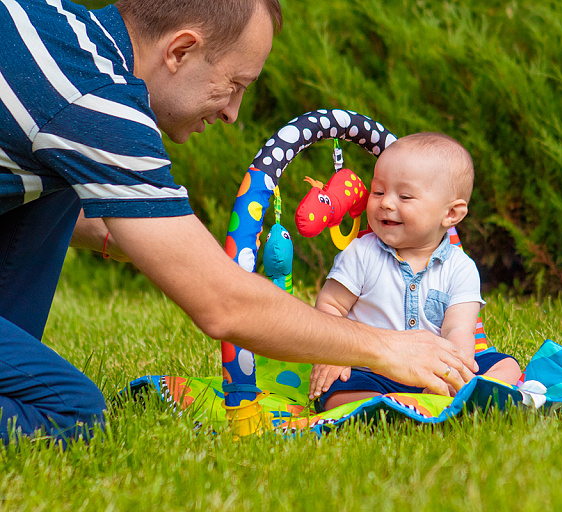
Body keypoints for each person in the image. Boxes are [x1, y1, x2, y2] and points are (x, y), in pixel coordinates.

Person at [0, 0, 477, 444]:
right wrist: (388, 349)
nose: (232, 113)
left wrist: (154, 241)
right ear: (181, 50)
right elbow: (223, 307)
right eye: (235, 85)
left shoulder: (61, 33)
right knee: (71, 412)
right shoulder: (95, 103)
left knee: (58, 180)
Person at [309, 132, 522, 412]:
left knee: (506, 366)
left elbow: (459, 329)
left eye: (405, 196)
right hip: (372, 372)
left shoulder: (460, 267)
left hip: (434, 370)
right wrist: (334, 352)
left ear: (451, 214)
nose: (386, 203)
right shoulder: (361, 253)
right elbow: (330, 306)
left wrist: (450, 373)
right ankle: (402, 406)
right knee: (337, 393)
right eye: (378, 191)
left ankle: (439, 397)